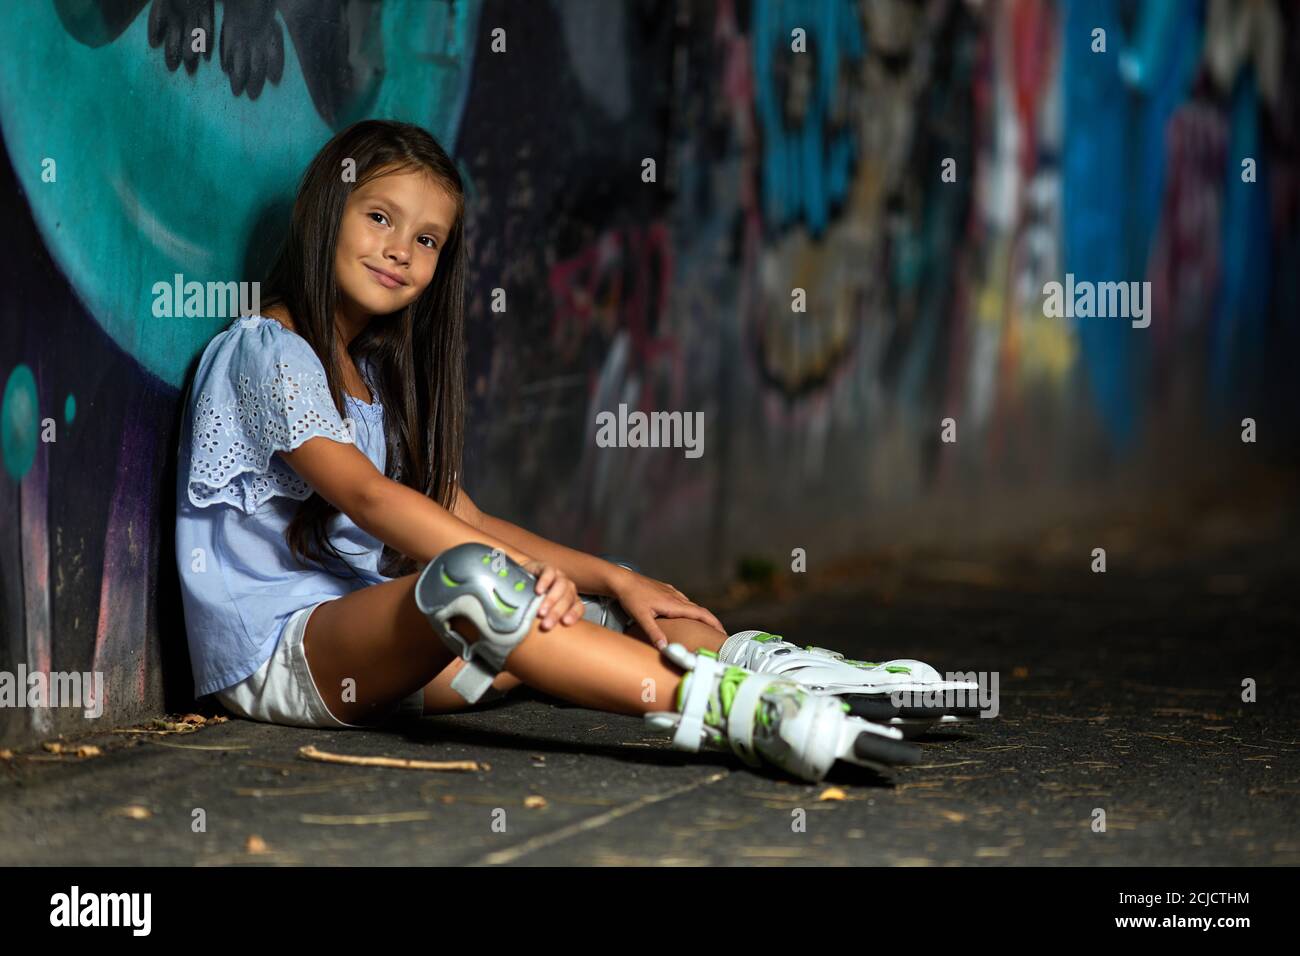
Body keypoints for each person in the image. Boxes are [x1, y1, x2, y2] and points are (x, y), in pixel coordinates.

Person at [175, 119, 941, 783]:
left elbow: (455, 511)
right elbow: (372, 500)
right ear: (323, 212)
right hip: (286, 659)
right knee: (475, 582)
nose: (400, 250)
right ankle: (733, 709)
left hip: (389, 657)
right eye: (379, 217)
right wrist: (523, 578)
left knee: (617, 597)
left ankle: (771, 669)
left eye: (427, 239)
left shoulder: (373, 372)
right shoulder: (268, 351)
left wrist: (610, 575)